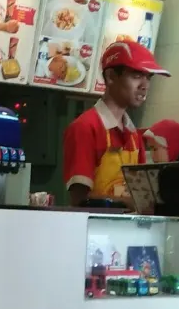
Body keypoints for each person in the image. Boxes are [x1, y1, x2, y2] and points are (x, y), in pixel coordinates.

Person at [63, 41, 170, 206]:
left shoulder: (133, 135)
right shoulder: (85, 128)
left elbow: (140, 192)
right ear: (111, 76)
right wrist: (130, 203)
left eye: (148, 77)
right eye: (136, 76)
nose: (145, 86)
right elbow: (80, 201)